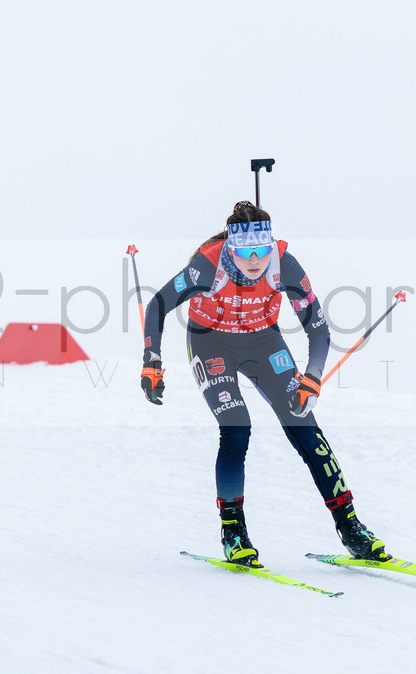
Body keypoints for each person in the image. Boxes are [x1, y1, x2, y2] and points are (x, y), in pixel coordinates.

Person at [140, 201, 388, 567]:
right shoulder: (207, 266)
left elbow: (318, 328)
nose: (255, 260)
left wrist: (312, 377)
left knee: (305, 427)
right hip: (211, 343)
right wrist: (152, 361)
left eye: (262, 250)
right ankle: (234, 533)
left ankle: (350, 527)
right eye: (245, 252)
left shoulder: (284, 264)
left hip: (263, 343)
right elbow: (157, 305)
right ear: (230, 249)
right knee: (237, 427)